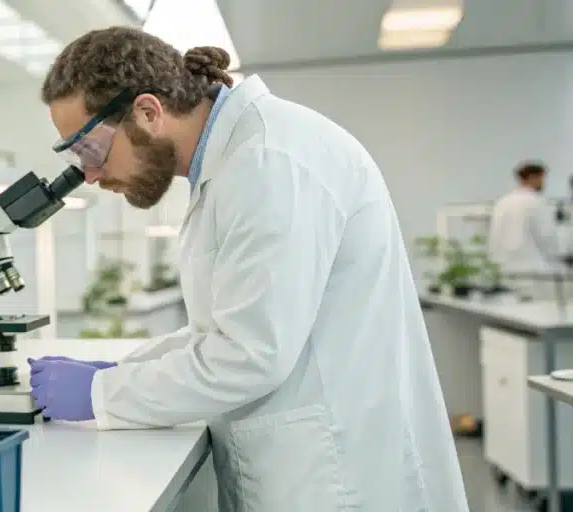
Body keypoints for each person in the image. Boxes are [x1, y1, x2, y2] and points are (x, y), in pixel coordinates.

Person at [26, 27, 469, 511]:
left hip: (336, 479)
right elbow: (225, 326)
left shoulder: (268, 160)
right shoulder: (233, 161)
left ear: (148, 112)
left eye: (90, 149)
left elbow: (251, 353)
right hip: (303, 465)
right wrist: (126, 369)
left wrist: (102, 393)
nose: (88, 174)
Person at [487, 161, 566, 280]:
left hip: (503, 269)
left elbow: (494, 236)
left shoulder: (502, 203)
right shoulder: (537, 202)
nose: (543, 183)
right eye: (541, 179)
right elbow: (547, 237)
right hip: (533, 271)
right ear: (533, 178)